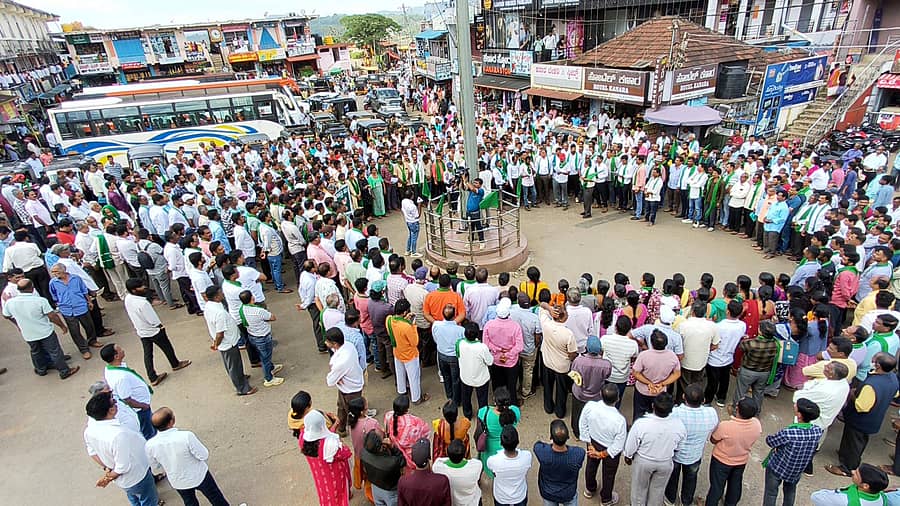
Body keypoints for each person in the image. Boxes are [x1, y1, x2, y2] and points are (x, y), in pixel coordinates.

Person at [827, 353, 899, 477]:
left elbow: (862, 407)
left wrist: (852, 394)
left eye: (874, 359)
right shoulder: (893, 378)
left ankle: (847, 468)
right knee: (857, 441)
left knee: (854, 441)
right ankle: (847, 455)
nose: (872, 360)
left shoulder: (871, 385)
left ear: (878, 365)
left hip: (860, 420)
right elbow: (895, 394)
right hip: (875, 418)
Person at [145, 407, 232, 506]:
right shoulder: (186, 436)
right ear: (171, 422)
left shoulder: (150, 445)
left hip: (178, 481)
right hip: (199, 475)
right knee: (216, 498)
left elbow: (155, 468)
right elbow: (204, 455)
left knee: (190, 502)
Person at [83, 391, 158, 506]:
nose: (116, 403)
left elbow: (92, 452)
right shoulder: (118, 435)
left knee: (134, 498)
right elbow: (123, 466)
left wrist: (106, 467)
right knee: (149, 500)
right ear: (111, 410)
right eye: (113, 402)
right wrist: (108, 477)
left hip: (125, 481)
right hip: (137, 476)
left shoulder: (89, 431)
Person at [2, 278, 79, 379]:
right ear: (32, 288)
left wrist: (18, 322)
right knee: (55, 351)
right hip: (45, 332)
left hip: (28, 333)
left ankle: (41, 369)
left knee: (35, 351)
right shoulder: (40, 301)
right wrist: (62, 326)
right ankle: (64, 371)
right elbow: (52, 316)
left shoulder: (10, 303)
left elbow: (6, 315)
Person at [122, 278, 191, 386]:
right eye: (140, 286)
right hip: (154, 331)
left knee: (148, 354)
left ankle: (152, 377)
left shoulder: (128, 298)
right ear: (134, 290)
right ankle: (175, 364)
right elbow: (153, 320)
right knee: (167, 347)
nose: (144, 287)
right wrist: (160, 326)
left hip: (141, 331)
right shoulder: (143, 303)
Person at [623, 392, 687, 506]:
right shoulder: (679, 426)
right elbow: (679, 447)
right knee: (658, 491)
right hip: (665, 462)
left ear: (653, 406)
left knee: (639, 491)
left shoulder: (641, 424)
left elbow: (630, 445)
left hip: (643, 461)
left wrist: (628, 456)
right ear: (671, 409)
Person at [665, 384, 719, 506]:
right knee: (691, 479)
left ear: (683, 396)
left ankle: (670, 500)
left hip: (675, 454)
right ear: (703, 400)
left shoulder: (674, 413)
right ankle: (686, 501)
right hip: (694, 455)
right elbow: (714, 429)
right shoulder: (711, 413)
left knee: (672, 478)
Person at [793, 361, 850, 475]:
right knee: (814, 444)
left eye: (828, 368)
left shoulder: (826, 390)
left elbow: (798, 397)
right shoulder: (843, 383)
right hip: (825, 421)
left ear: (832, 374)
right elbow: (814, 383)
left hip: (814, 421)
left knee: (802, 446)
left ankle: (802, 468)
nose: (824, 367)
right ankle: (806, 466)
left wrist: (807, 387)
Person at [763, 398, 823, 505]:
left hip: (778, 467)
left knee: (771, 493)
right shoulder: (817, 431)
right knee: (790, 492)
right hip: (796, 470)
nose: (795, 405)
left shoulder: (790, 433)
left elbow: (771, 441)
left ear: (799, 415)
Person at [705, 396, 762, 506]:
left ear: (737, 409)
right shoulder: (756, 424)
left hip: (721, 461)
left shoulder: (726, 426)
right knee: (735, 485)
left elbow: (713, 439)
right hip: (741, 461)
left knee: (716, 487)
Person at [203, 285, 256, 396]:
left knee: (233, 364)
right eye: (220, 293)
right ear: (217, 297)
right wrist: (216, 344)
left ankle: (240, 377)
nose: (222, 294)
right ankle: (242, 388)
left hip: (227, 341)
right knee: (234, 365)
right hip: (228, 342)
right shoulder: (219, 313)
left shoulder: (209, 305)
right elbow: (220, 333)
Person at [579, 383, 627, 505]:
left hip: (593, 442)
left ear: (600, 394)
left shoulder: (590, 406)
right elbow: (618, 444)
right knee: (609, 474)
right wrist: (602, 454)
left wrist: (589, 444)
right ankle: (606, 499)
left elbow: (582, 424)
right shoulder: (620, 420)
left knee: (591, 466)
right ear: (618, 398)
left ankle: (590, 489)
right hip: (609, 449)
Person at [99, 343, 158, 440]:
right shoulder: (121, 378)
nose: (123, 350)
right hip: (140, 409)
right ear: (116, 356)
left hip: (141, 405)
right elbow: (127, 399)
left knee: (150, 425)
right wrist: (143, 406)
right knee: (148, 433)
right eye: (120, 349)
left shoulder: (111, 369)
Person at [48, 263, 102, 359]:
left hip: (81, 306)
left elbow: (84, 290)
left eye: (56, 271)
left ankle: (92, 340)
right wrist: (59, 304)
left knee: (89, 326)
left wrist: (89, 302)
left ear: (63, 270)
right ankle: (84, 349)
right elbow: (54, 295)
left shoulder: (76, 278)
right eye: (53, 272)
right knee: (75, 331)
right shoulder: (53, 282)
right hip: (66, 309)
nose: (54, 274)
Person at [300, 410, 352, 506]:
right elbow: (347, 453)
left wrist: (335, 425)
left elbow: (320, 436)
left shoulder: (302, 438)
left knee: (325, 497)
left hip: (320, 478)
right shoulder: (331, 445)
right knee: (339, 499)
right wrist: (338, 438)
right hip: (335, 480)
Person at [386, 298, 430, 404]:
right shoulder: (406, 327)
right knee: (413, 377)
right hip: (409, 355)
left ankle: (402, 391)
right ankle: (416, 398)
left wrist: (406, 321)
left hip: (397, 352)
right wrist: (413, 325)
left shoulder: (389, 319)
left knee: (400, 373)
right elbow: (414, 342)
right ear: (405, 312)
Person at [539, 302, 579, 418]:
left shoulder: (545, 324)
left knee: (548, 387)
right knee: (561, 391)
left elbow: (542, 305)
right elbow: (572, 354)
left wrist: (549, 308)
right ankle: (560, 411)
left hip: (547, 362)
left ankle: (548, 407)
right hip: (562, 366)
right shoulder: (568, 334)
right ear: (563, 317)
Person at [533, 419, 585, 506]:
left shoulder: (542, 452)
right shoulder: (578, 454)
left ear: (551, 438)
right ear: (568, 437)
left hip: (548, 493)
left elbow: (537, 445)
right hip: (568, 493)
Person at [632, 329, 681, 420]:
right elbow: (677, 374)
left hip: (643, 391)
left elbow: (635, 373)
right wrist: (662, 383)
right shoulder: (672, 356)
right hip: (660, 391)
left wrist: (649, 383)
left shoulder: (644, 355)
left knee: (639, 415)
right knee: (657, 417)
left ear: (651, 342)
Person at [676, 300, 720, 403]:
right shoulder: (712, 326)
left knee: (683, 384)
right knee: (697, 383)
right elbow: (715, 345)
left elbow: (677, 343)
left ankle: (680, 402)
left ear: (692, 311)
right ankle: (695, 401)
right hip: (701, 361)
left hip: (685, 361)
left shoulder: (683, 325)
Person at [238, 290, 284, 387]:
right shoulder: (258, 311)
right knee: (265, 358)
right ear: (252, 298)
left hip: (252, 335)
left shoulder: (242, 309)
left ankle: (271, 368)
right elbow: (272, 317)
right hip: (263, 336)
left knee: (264, 356)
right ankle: (269, 378)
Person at [325, 327, 364, 437]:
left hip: (350, 390)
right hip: (348, 385)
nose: (325, 343)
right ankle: (341, 428)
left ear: (335, 343)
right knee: (341, 407)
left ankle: (357, 432)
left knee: (353, 413)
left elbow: (330, 381)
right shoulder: (348, 345)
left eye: (327, 341)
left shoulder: (342, 361)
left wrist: (335, 374)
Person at [733, 319, 779, 412]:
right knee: (759, 393)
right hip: (764, 373)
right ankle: (756, 411)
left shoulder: (751, 343)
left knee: (741, 392)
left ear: (760, 331)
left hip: (748, 371)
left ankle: (736, 411)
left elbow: (741, 346)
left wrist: (745, 338)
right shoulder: (776, 344)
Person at [705, 300, 746, 406]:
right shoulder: (742, 325)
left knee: (712, 381)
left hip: (714, 357)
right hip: (729, 357)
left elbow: (713, 340)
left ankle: (708, 399)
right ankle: (721, 398)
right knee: (725, 379)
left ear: (727, 311)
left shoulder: (719, 326)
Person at [482, 297, 524, 398]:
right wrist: (507, 354)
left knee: (496, 384)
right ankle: (512, 405)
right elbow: (519, 346)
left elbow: (485, 343)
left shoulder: (488, 325)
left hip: (495, 359)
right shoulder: (515, 326)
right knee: (511, 386)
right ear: (508, 313)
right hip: (511, 362)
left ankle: (498, 402)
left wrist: (498, 350)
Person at [477, 386, 520, 478]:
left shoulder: (484, 412)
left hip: (489, 447)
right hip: (507, 445)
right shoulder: (515, 411)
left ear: (495, 401)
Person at [397, 438, 451, 506]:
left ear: (413, 460)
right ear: (429, 458)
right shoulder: (442, 481)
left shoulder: (403, 481)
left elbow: (401, 504)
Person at [487, 426, 532, 506]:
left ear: (501, 443)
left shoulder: (493, 460)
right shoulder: (527, 456)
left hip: (501, 497)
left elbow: (492, 471)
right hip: (520, 496)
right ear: (517, 441)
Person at [457, 321, 493, 419]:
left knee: (466, 397)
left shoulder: (460, 343)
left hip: (466, 377)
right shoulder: (482, 347)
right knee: (482, 399)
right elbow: (490, 362)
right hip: (481, 379)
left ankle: (467, 414)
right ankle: (482, 416)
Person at [384, 394, 430, 470]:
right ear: (407, 409)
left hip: (395, 449)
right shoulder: (413, 422)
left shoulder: (388, 416)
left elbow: (387, 431)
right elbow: (425, 433)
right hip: (410, 453)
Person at [361, 429, 406, 506]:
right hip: (390, 491)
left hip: (375, 487)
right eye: (384, 436)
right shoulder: (390, 463)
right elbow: (402, 461)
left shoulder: (363, 453)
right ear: (382, 446)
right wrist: (392, 447)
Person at [433, 439, 483, 506]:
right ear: (465, 454)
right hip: (472, 503)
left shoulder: (438, 467)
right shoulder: (476, 466)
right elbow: (474, 461)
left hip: (453, 503)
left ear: (447, 453)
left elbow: (439, 460)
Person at [811, 463, 891, 505]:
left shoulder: (845, 500)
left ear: (865, 486)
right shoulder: (883, 498)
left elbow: (816, 497)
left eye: (856, 473)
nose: (852, 471)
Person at [433, 304, 465, 407]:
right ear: (454, 315)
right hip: (454, 357)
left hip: (442, 355)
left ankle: (450, 396)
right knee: (455, 379)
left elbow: (435, 339)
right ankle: (456, 400)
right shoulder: (460, 330)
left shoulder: (436, 325)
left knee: (446, 377)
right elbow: (463, 344)